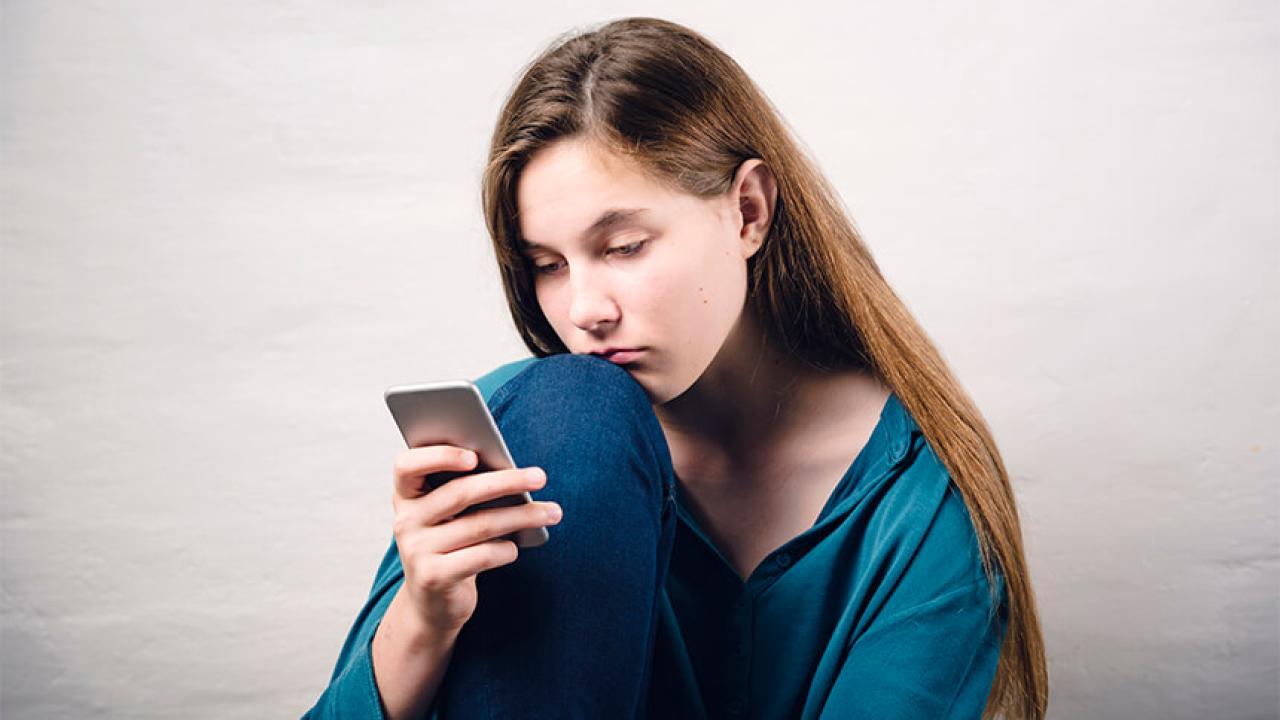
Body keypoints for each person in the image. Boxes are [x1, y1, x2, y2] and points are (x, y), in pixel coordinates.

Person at [304, 16, 1048, 720]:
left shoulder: (916, 496)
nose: (585, 308)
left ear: (748, 211)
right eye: (547, 265)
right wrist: (423, 619)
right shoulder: (526, 435)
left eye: (624, 247)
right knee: (573, 413)